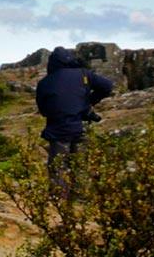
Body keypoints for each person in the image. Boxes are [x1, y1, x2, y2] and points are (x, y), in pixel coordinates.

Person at [35, 46, 114, 187]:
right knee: (82, 166)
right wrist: (88, 102)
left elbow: (43, 110)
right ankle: (82, 199)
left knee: (59, 169)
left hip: (58, 131)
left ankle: (59, 203)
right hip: (80, 127)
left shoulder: (44, 83)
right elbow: (107, 86)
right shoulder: (83, 74)